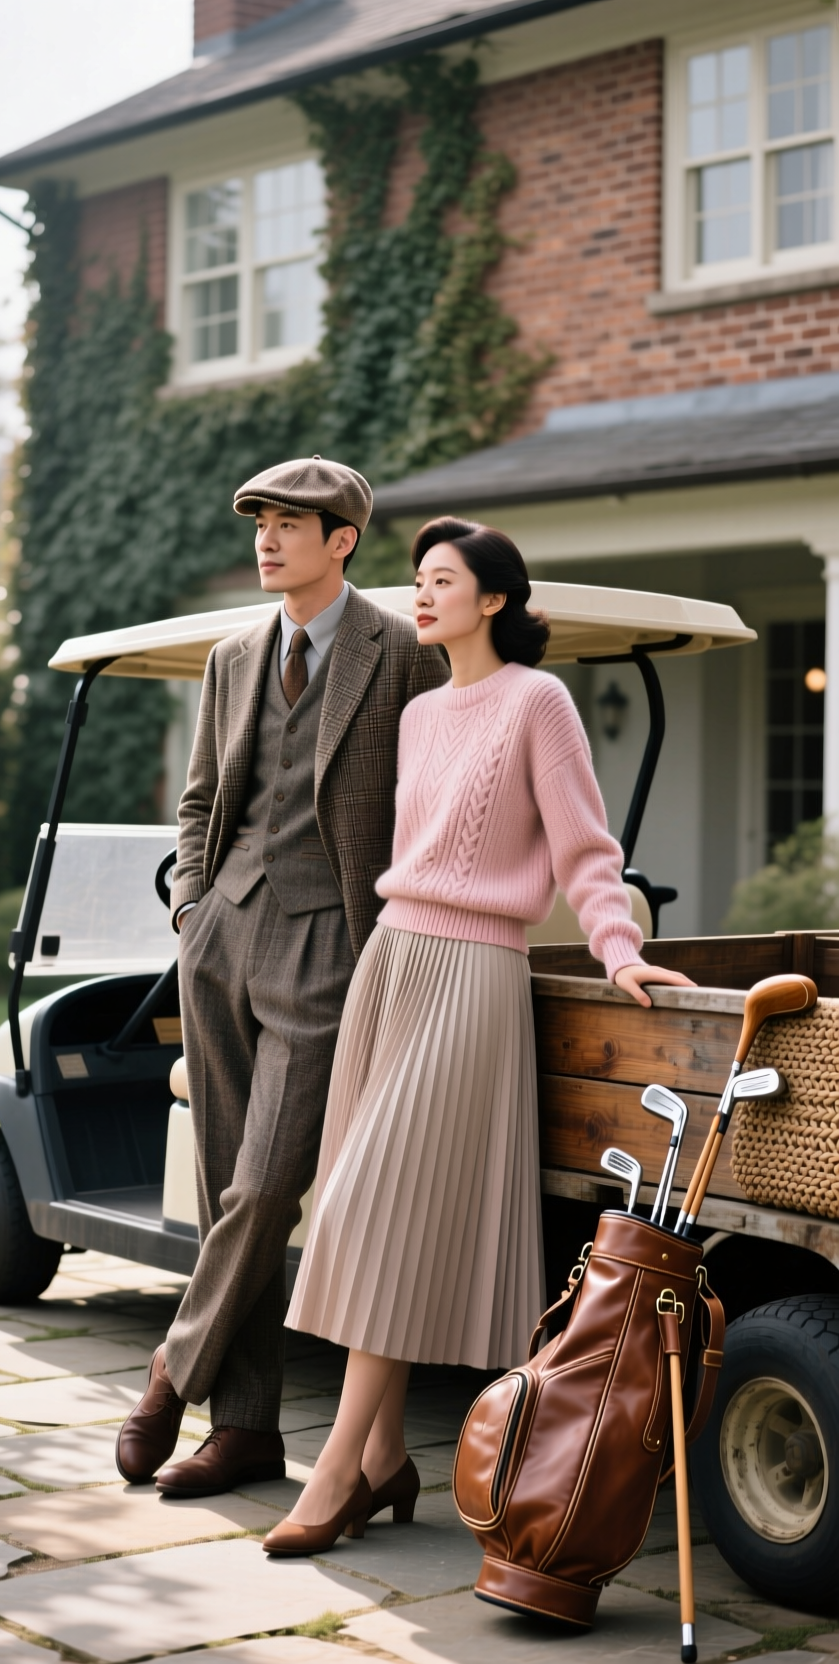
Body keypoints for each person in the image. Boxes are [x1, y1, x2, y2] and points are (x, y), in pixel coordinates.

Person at [262, 516, 694, 1555]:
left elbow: (587, 846)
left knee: (377, 1204)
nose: (419, 593)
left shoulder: (536, 701)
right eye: (414, 579)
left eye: (441, 578)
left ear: (493, 597)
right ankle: (377, 1463)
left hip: (471, 975)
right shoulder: (417, 714)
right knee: (370, 1212)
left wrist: (619, 945)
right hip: (394, 963)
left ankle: (331, 1476)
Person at [115, 457, 448, 1497]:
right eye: (258, 520)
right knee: (226, 1186)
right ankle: (246, 1429)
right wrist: (191, 911)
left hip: (329, 947)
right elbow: (202, 796)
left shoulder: (400, 651)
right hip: (222, 940)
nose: (265, 538)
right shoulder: (230, 654)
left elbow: (430, 800)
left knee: (264, 1186)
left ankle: (173, 1365)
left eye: (288, 523)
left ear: (341, 539)